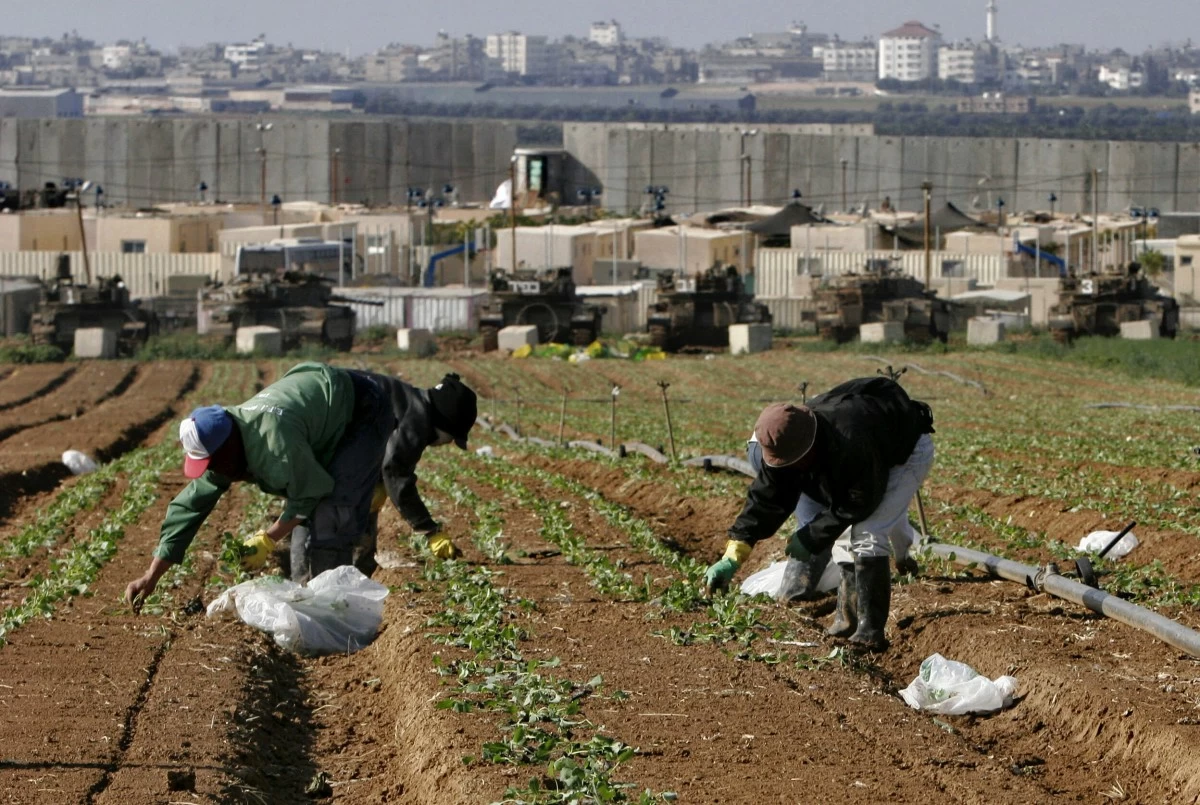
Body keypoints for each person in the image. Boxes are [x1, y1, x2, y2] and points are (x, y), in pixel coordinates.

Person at [125, 363, 477, 611]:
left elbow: (311, 493)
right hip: (324, 401)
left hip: (363, 408)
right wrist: (150, 575)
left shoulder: (273, 447)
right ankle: (309, 591)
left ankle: (332, 607)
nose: (211, 471)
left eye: (211, 463)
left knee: (333, 510)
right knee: (329, 505)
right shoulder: (225, 446)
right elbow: (188, 507)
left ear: (227, 447)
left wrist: (268, 539)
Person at [703, 377, 935, 652]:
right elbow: (765, 499)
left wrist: (813, 535)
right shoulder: (784, 447)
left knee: (867, 533)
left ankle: (870, 634)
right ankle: (847, 623)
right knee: (846, 536)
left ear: (810, 447)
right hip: (865, 458)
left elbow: (859, 500)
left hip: (903, 454)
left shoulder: (849, 437)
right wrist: (733, 556)